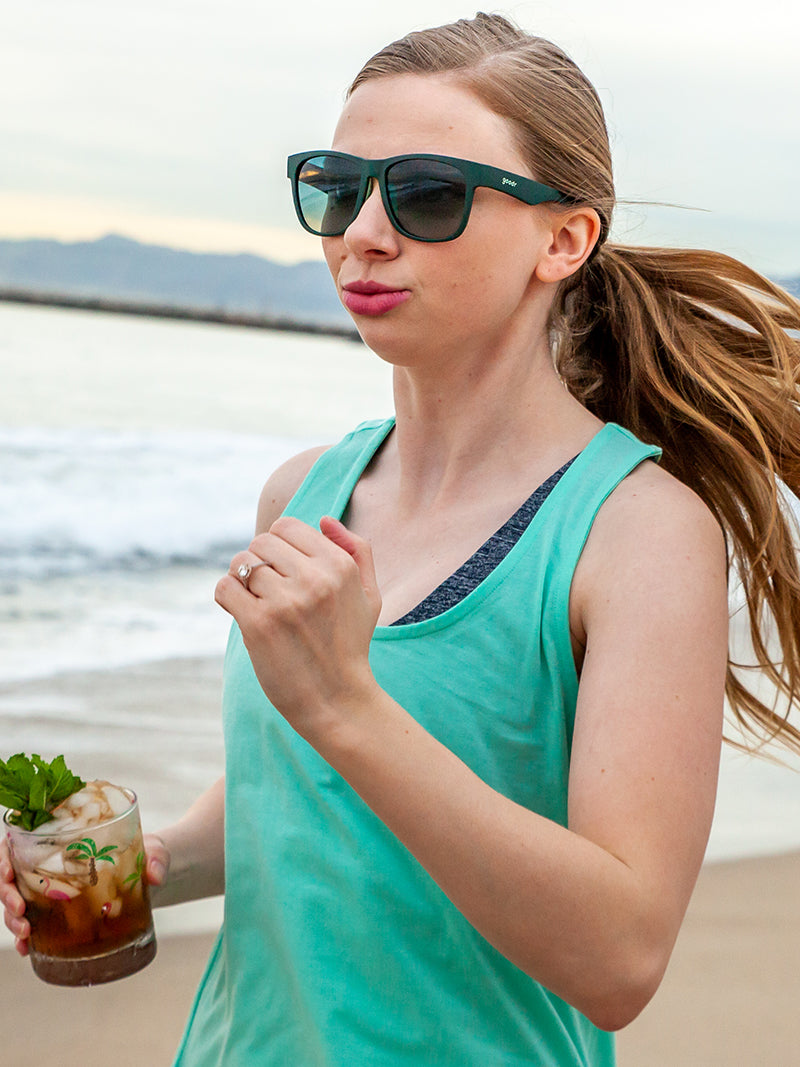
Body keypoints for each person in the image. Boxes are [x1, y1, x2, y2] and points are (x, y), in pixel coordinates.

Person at [3, 12, 800, 1065]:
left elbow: (618, 956)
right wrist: (114, 861)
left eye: (428, 195)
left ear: (563, 239)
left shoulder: (635, 532)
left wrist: (344, 703)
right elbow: (288, 797)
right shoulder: (304, 492)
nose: (362, 231)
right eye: (337, 187)